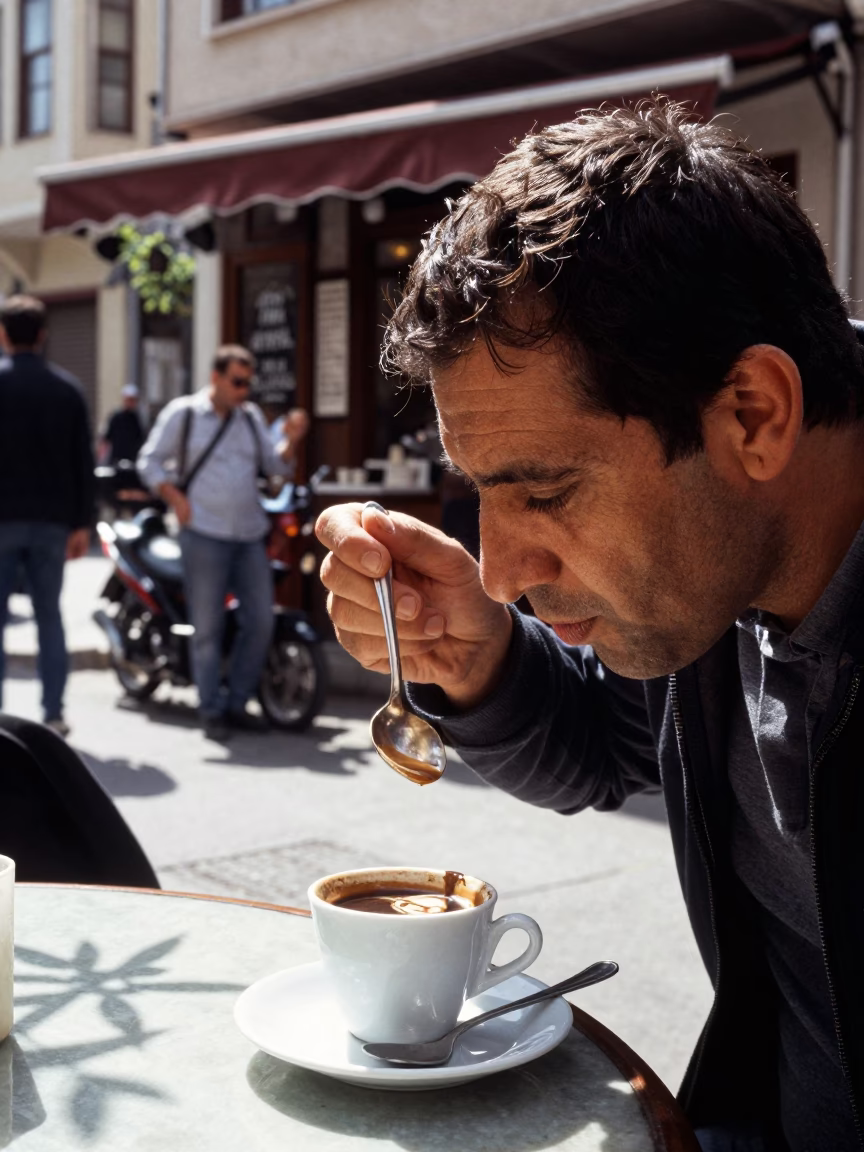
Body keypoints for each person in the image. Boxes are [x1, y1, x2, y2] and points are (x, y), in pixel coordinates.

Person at [316, 102, 864, 1152]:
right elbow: (613, 749)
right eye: (480, 491)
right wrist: (481, 664)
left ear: (753, 415)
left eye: (548, 491)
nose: (505, 570)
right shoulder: (717, 578)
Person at [138, 344, 303, 741]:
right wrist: (174, 497)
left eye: (248, 382)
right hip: (204, 532)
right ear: (216, 378)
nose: (244, 389)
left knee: (260, 620)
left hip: (248, 533)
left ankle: (237, 702)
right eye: (237, 381)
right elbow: (149, 461)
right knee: (207, 628)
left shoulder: (249, 418)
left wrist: (293, 440)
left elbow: (276, 466)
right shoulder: (184, 413)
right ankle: (210, 709)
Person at [0, 295, 95, 737]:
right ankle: (53, 713)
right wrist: (82, 524)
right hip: (52, 524)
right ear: (42, 335)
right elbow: (83, 463)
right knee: (49, 617)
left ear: (3, 334)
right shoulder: (67, 390)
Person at [99, 383, 145, 466]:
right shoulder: (115, 417)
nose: (131, 402)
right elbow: (105, 438)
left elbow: (141, 439)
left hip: (133, 461)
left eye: (133, 400)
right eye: (129, 399)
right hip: (115, 460)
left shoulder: (137, 418)